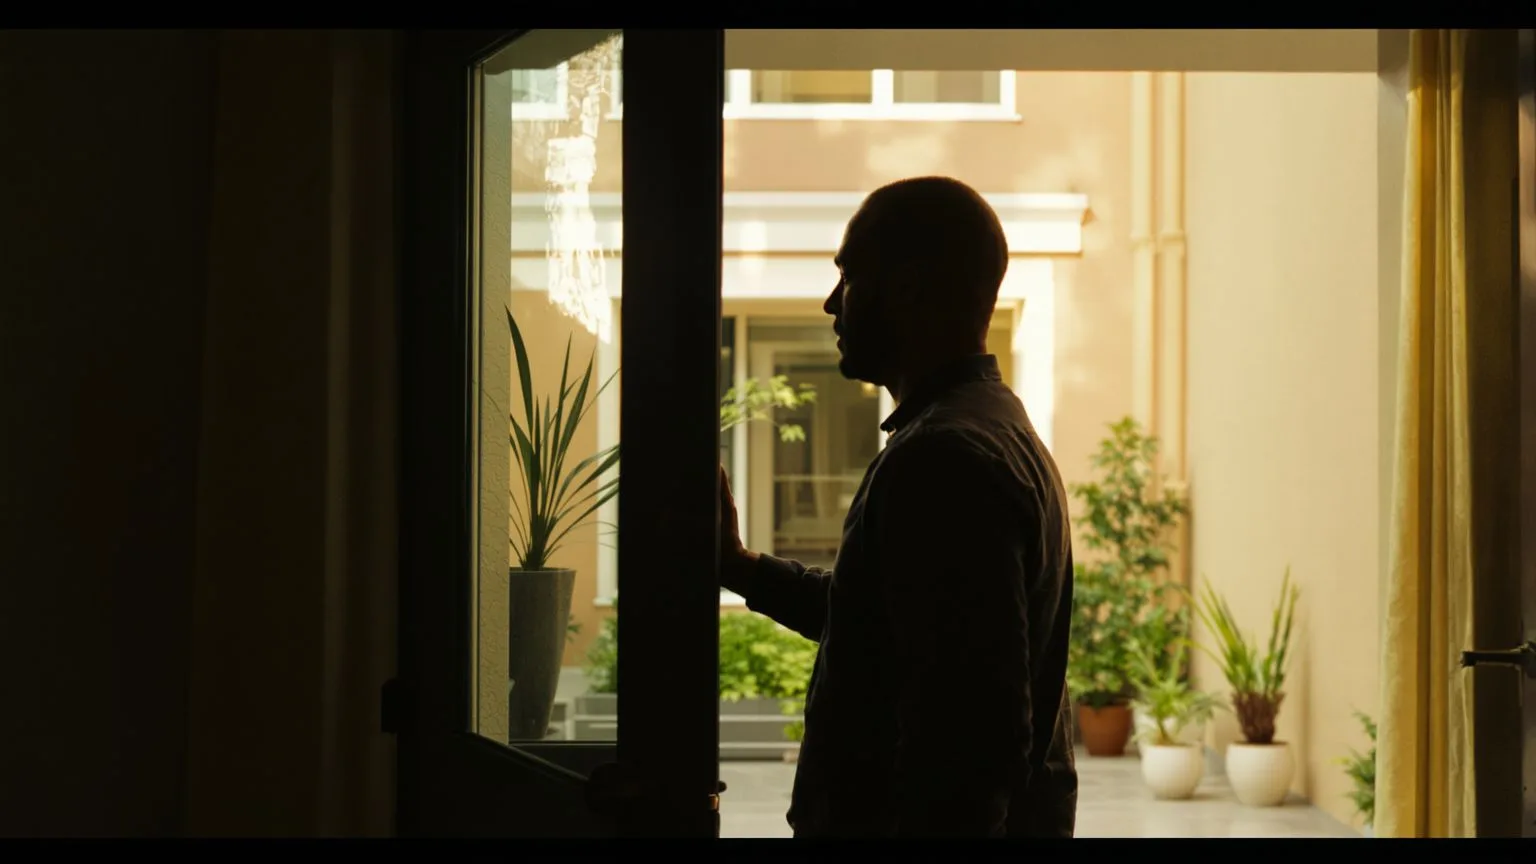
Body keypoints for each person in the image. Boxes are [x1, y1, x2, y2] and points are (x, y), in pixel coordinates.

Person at [718, 176, 1078, 838]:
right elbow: (887, 619)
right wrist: (740, 568)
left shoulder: (944, 460)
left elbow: (973, 749)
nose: (831, 303)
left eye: (848, 277)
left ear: (908, 288)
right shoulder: (991, 428)